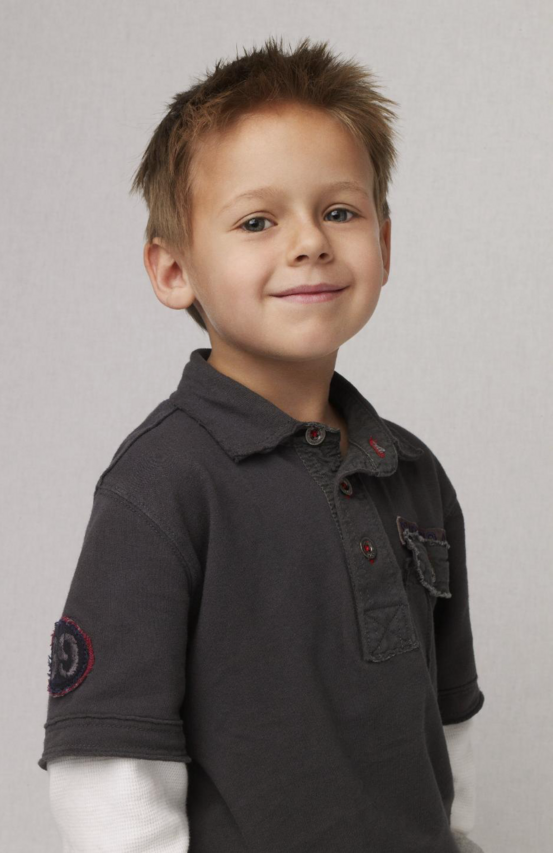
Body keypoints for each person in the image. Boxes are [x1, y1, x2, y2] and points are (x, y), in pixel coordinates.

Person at [38, 36, 486, 853]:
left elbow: (446, 725)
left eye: (339, 211)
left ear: (385, 244)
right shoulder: (161, 485)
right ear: (174, 269)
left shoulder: (414, 472)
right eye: (257, 220)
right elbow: (109, 775)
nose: (309, 241)